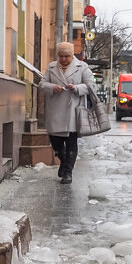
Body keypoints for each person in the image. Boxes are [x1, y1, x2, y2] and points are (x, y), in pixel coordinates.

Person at [40, 42, 97, 184]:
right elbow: (42, 84)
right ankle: (63, 160)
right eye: (61, 56)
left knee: (71, 142)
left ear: (72, 56)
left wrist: (76, 88)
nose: (64, 59)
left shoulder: (82, 67)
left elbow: (91, 86)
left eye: (67, 56)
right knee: (55, 142)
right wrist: (54, 87)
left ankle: (68, 172)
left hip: (73, 110)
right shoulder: (52, 67)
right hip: (55, 109)